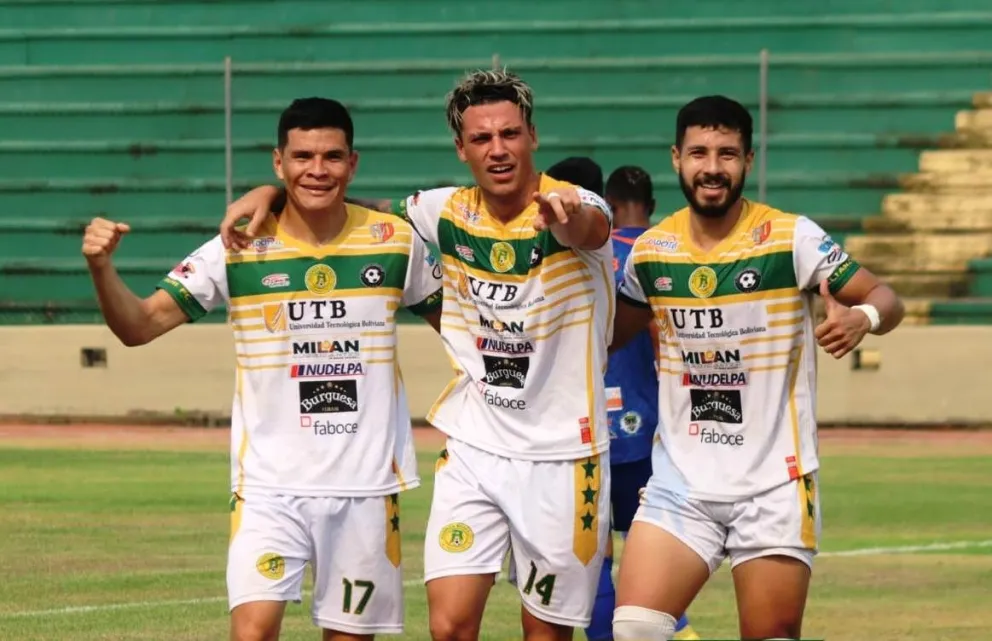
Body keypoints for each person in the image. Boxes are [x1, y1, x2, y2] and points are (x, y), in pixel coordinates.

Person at [218, 69, 616, 641]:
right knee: (449, 627)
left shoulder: (574, 205)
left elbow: (591, 224)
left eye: (510, 134)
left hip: (564, 455)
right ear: (461, 149)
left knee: (546, 633)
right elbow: (341, 207)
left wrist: (569, 211)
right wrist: (270, 192)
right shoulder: (438, 212)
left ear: (532, 136)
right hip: (474, 448)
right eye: (481, 139)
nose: (497, 149)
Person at [82, 97, 443, 641]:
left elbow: (465, 329)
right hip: (268, 488)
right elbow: (139, 326)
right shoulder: (238, 245)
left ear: (353, 163)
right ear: (279, 162)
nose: (316, 170)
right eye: (302, 156)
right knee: (251, 633)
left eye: (331, 156)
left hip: (366, 488)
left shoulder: (396, 241)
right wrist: (100, 266)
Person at [609, 95, 906, 641]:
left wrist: (863, 317)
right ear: (677, 158)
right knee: (634, 627)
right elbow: (609, 337)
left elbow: (888, 298)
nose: (712, 167)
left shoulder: (793, 238)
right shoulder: (653, 252)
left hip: (775, 482)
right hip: (682, 482)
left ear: (748, 159)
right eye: (699, 152)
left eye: (728, 153)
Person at [542, 159, 701, 641]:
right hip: (644, 427)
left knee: (593, 557)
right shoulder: (651, 250)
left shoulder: (553, 251)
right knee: (653, 555)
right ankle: (680, 632)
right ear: (649, 207)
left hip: (576, 427)